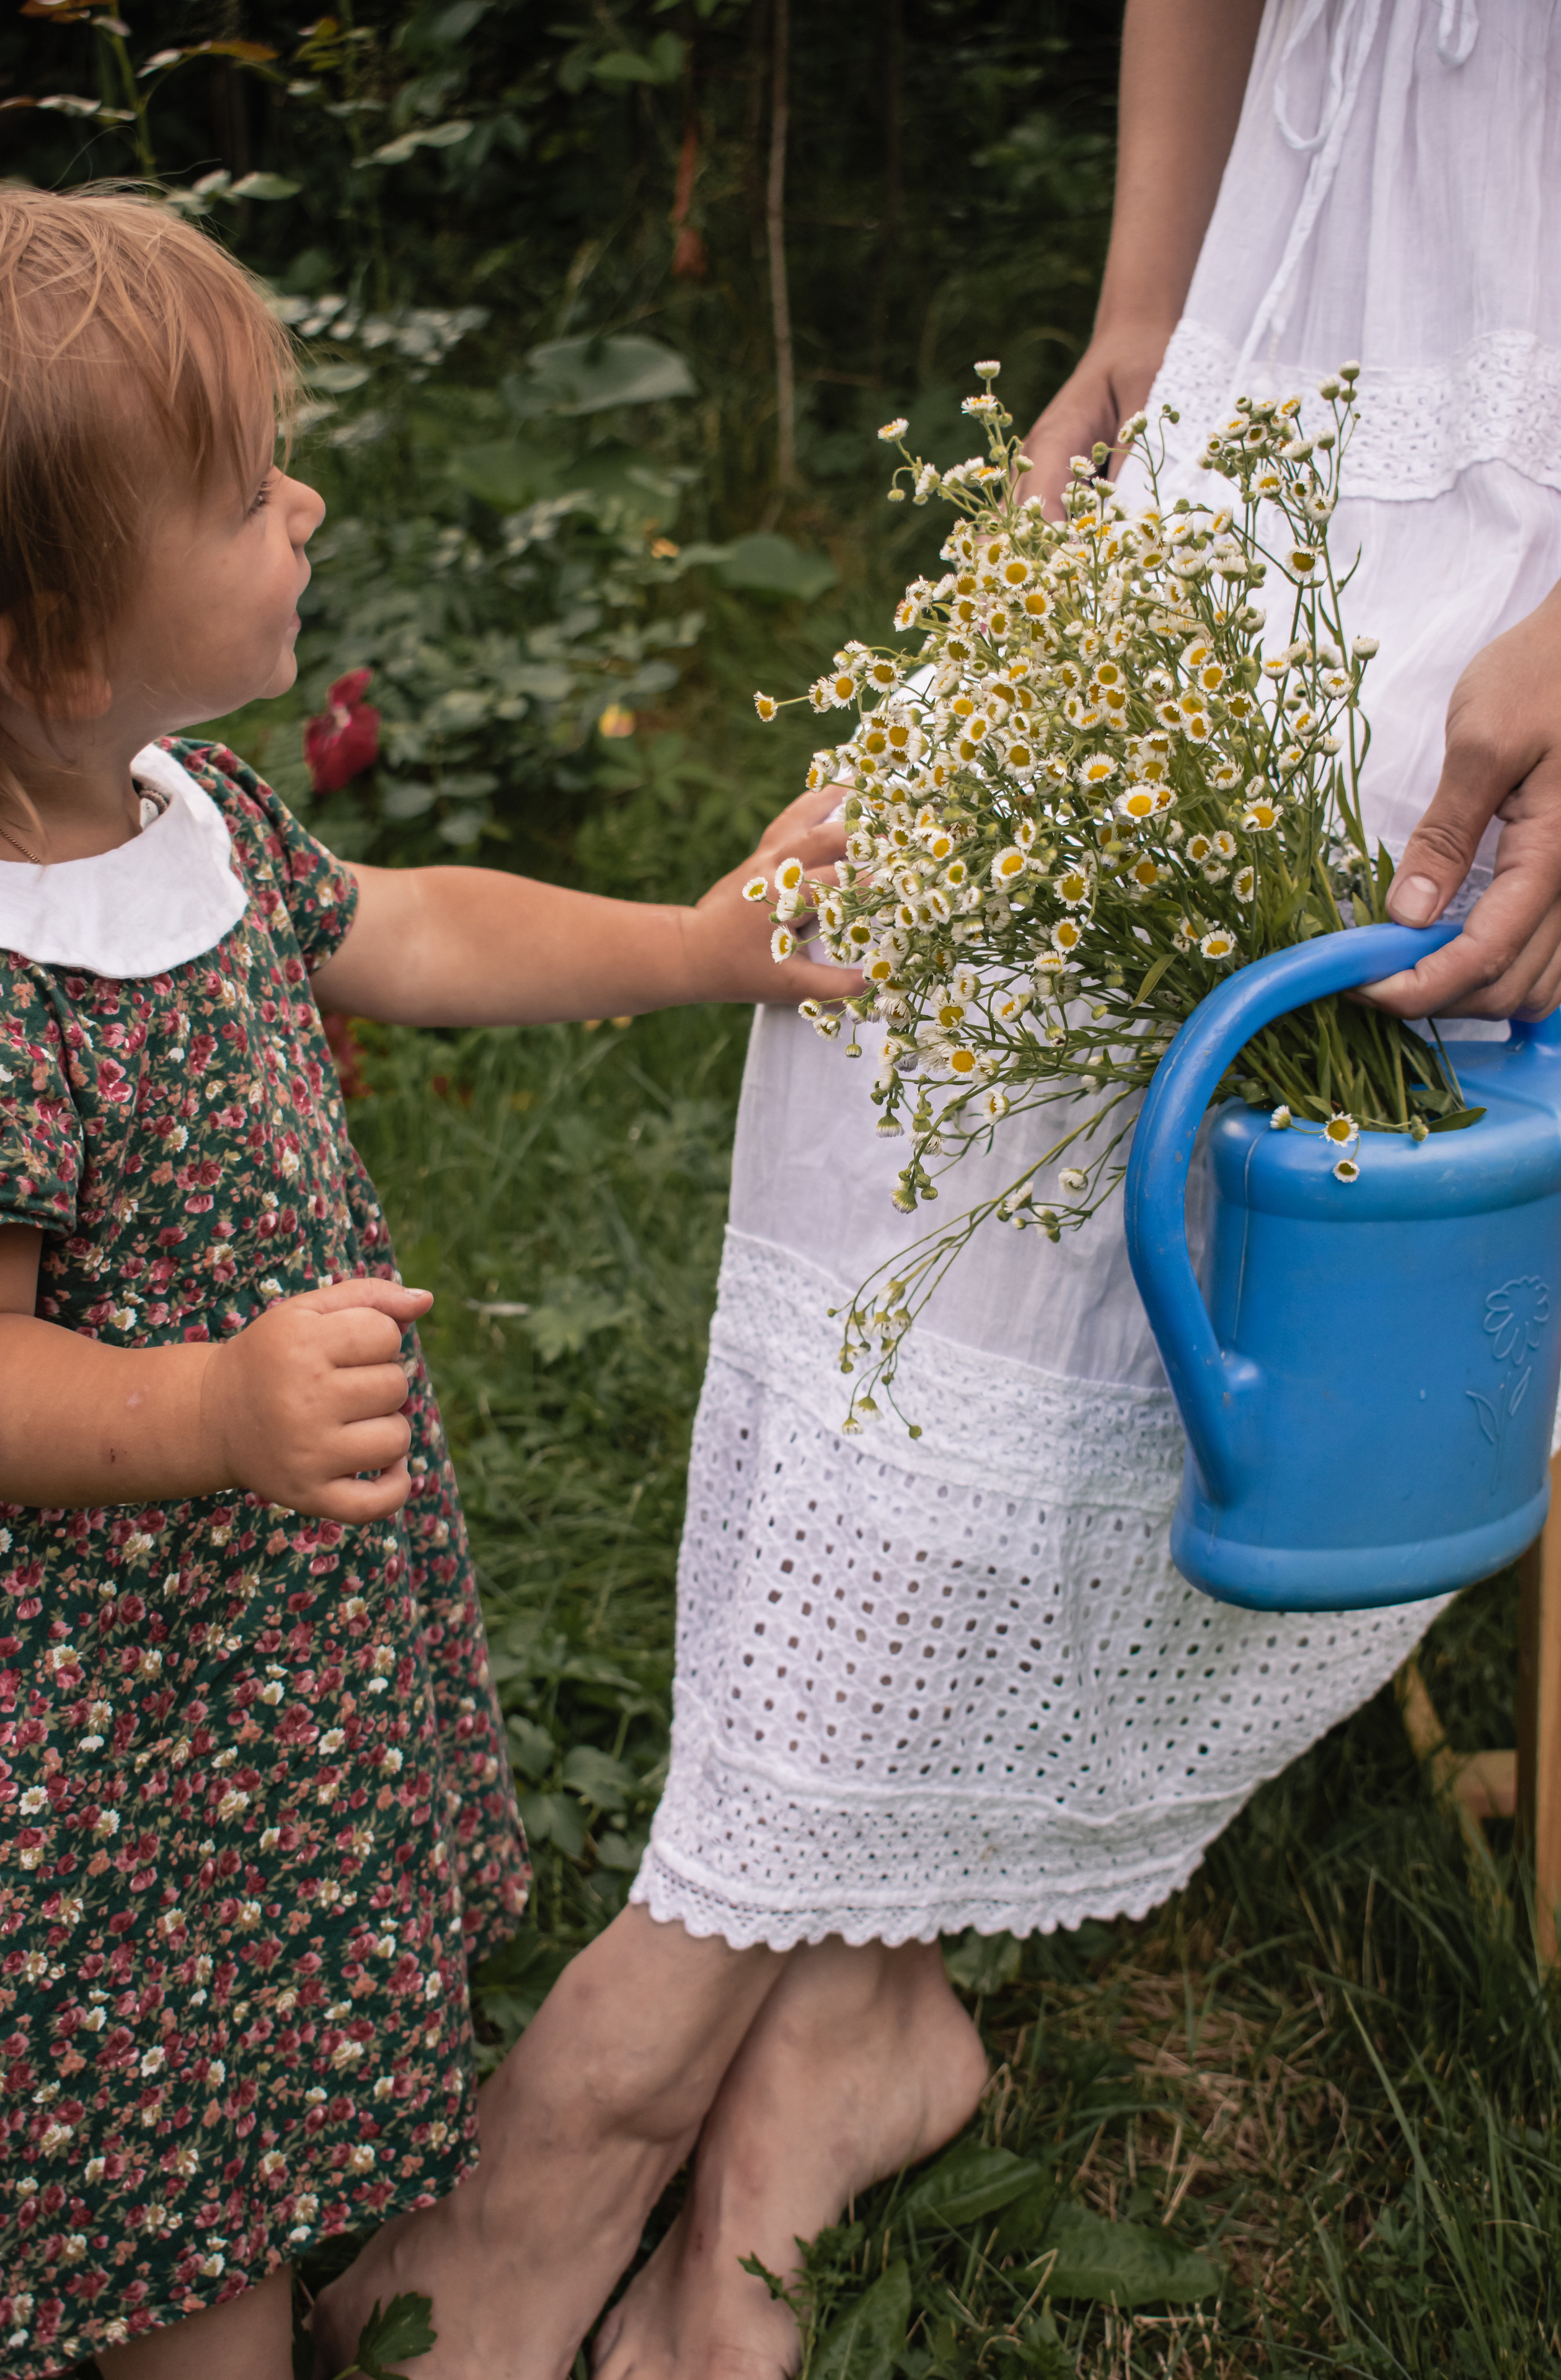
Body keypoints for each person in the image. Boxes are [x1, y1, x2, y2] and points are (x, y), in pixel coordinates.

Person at [310, 6, 1561, 2379]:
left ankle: (652, 2050)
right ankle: (836, 1987)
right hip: (1293, 316)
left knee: (1311, 904)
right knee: (917, 894)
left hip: (1558, 476)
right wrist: (1146, 314)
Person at [0, 185, 854, 2380]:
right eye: (241, 493)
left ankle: (281, 2194)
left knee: (268, 1988)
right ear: (59, 646)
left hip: (268, 1642)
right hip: (99, 1713)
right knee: (167, 2138)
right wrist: (209, 1407)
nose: (303, 504)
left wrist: (700, 942)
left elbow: (420, 926)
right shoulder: (6, 980)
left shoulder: (187, 811)